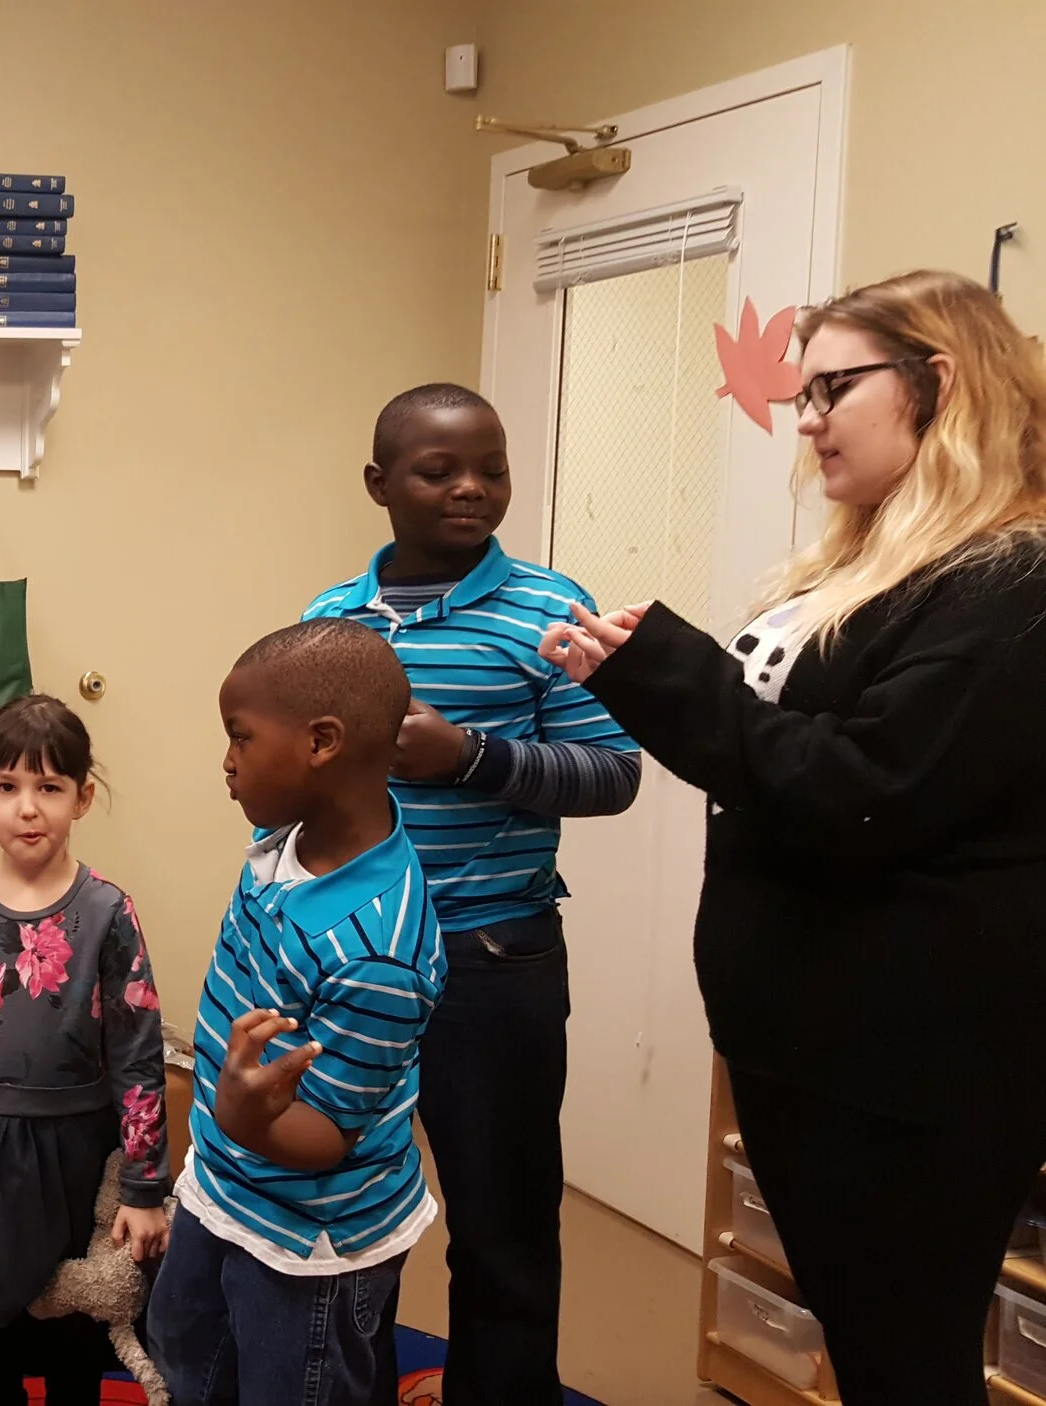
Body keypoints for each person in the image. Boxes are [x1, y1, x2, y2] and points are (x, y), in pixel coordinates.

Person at [539, 269, 1046, 1406]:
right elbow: (794, 751)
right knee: (869, 1348)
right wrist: (653, 674)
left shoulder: (1014, 583)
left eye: (832, 388)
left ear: (937, 383)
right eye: (802, 393)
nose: (806, 419)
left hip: (909, 1073)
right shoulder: (880, 567)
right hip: (812, 1049)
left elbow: (860, 792)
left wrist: (668, 678)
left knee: (905, 1362)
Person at [301, 383, 639, 1403]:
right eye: (438, 470)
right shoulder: (328, 621)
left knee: (503, 1223)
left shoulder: (550, 609)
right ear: (379, 484)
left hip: (492, 960)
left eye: (491, 469)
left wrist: (471, 757)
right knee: (343, 1213)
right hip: (351, 961)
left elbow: (613, 774)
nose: (470, 489)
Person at [151, 618, 445, 1405]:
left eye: (241, 737)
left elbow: (326, 1134)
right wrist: (226, 1130)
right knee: (186, 1354)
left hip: (308, 1239)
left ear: (321, 743)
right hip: (226, 1182)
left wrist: (242, 1118)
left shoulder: (377, 951)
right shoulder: (285, 834)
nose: (227, 760)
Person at [0, 694, 170, 1406]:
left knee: (73, 1345)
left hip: (79, 1153)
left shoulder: (108, 911)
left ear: (82, 798)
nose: (28, 808)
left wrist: (143, 1186)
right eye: (7, 786)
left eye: (49, 787)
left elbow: (139, 1055)